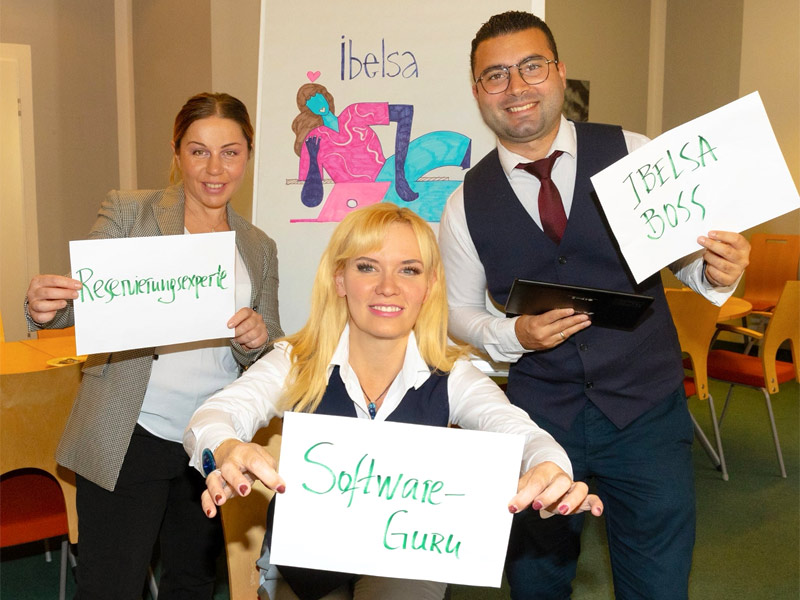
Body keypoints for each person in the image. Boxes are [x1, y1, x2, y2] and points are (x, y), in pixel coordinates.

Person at [438, 11, 751, 600]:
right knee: (536, 583)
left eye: (532, 67)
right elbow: (456, 312)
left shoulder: (633, 153)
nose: (516, 86)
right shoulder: (463, 204)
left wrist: (715, 270)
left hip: (647, 414)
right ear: (478, 92)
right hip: (538, 420)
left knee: (658, 585)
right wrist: (514, 336)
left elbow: (685, 259)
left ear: (559, 72)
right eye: (496, 75)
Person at [183, 202, 603, 600]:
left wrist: (550, 466)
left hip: (406, 563)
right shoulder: (295, 361)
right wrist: (226, 446)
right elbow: (213, 416)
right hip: (303, 568)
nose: (388, 287)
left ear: (429, 286)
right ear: (339, 279)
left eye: (409, 270)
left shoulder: (452, 375)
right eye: (368, 267)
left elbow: (521, 432)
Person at [24, 92, 283, 600]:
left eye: (230, 152)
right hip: (131, 431)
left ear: (248, 155)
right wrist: (44, 308)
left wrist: (256, 337)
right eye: (198, 151)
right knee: (110, 586)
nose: (214, 168)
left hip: (209, 440)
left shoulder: (259, 246)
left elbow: (268, 349)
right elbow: (85, 299)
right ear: (177, 152)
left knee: (193, 581)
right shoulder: (131, 212)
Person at [292, 82, 471, 216]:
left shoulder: (353, 113)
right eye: (310, 102)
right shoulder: (314, 139)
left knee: (442, 144)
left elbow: (404, 112)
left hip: (387, 172)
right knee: (446, 199)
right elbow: (311, 200)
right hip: (361, 196)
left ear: (326, 96)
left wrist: (399, 173)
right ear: (307, 110)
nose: (317, 103)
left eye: (318, 96)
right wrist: (313, 159)